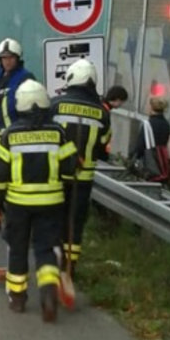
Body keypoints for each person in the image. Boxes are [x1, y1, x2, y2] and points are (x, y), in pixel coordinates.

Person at [0, 79, 78, 323]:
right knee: (45, 247)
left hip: (18, 203)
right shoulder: (58, 133)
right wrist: (67, 188)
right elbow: (70, 168)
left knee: (17, 248)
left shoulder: (10, 135)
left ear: (21, 105)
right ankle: (49, 291)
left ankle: (17, 298)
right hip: (51, 202)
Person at [50, 59, 110, 279]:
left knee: (55, 217)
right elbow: (104, 146)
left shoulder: (55, 104)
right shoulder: (102, 112)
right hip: (83, 179)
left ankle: (53, 259)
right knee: (75, 222)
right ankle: (70, 267)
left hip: (56, 176)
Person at [0, 37, 35, 230]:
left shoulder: (25, 79)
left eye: (10, 58)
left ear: (18, 58)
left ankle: (10, 217)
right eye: (3, 58)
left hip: (14, 139)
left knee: (10, 179)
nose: (7, 61)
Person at [130, 96, 170, 183]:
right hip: (161, 160)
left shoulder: (148, 124)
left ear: (151, 108)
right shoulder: (166, 124)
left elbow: (140, 145)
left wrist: (133, 156)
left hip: (149, 161)